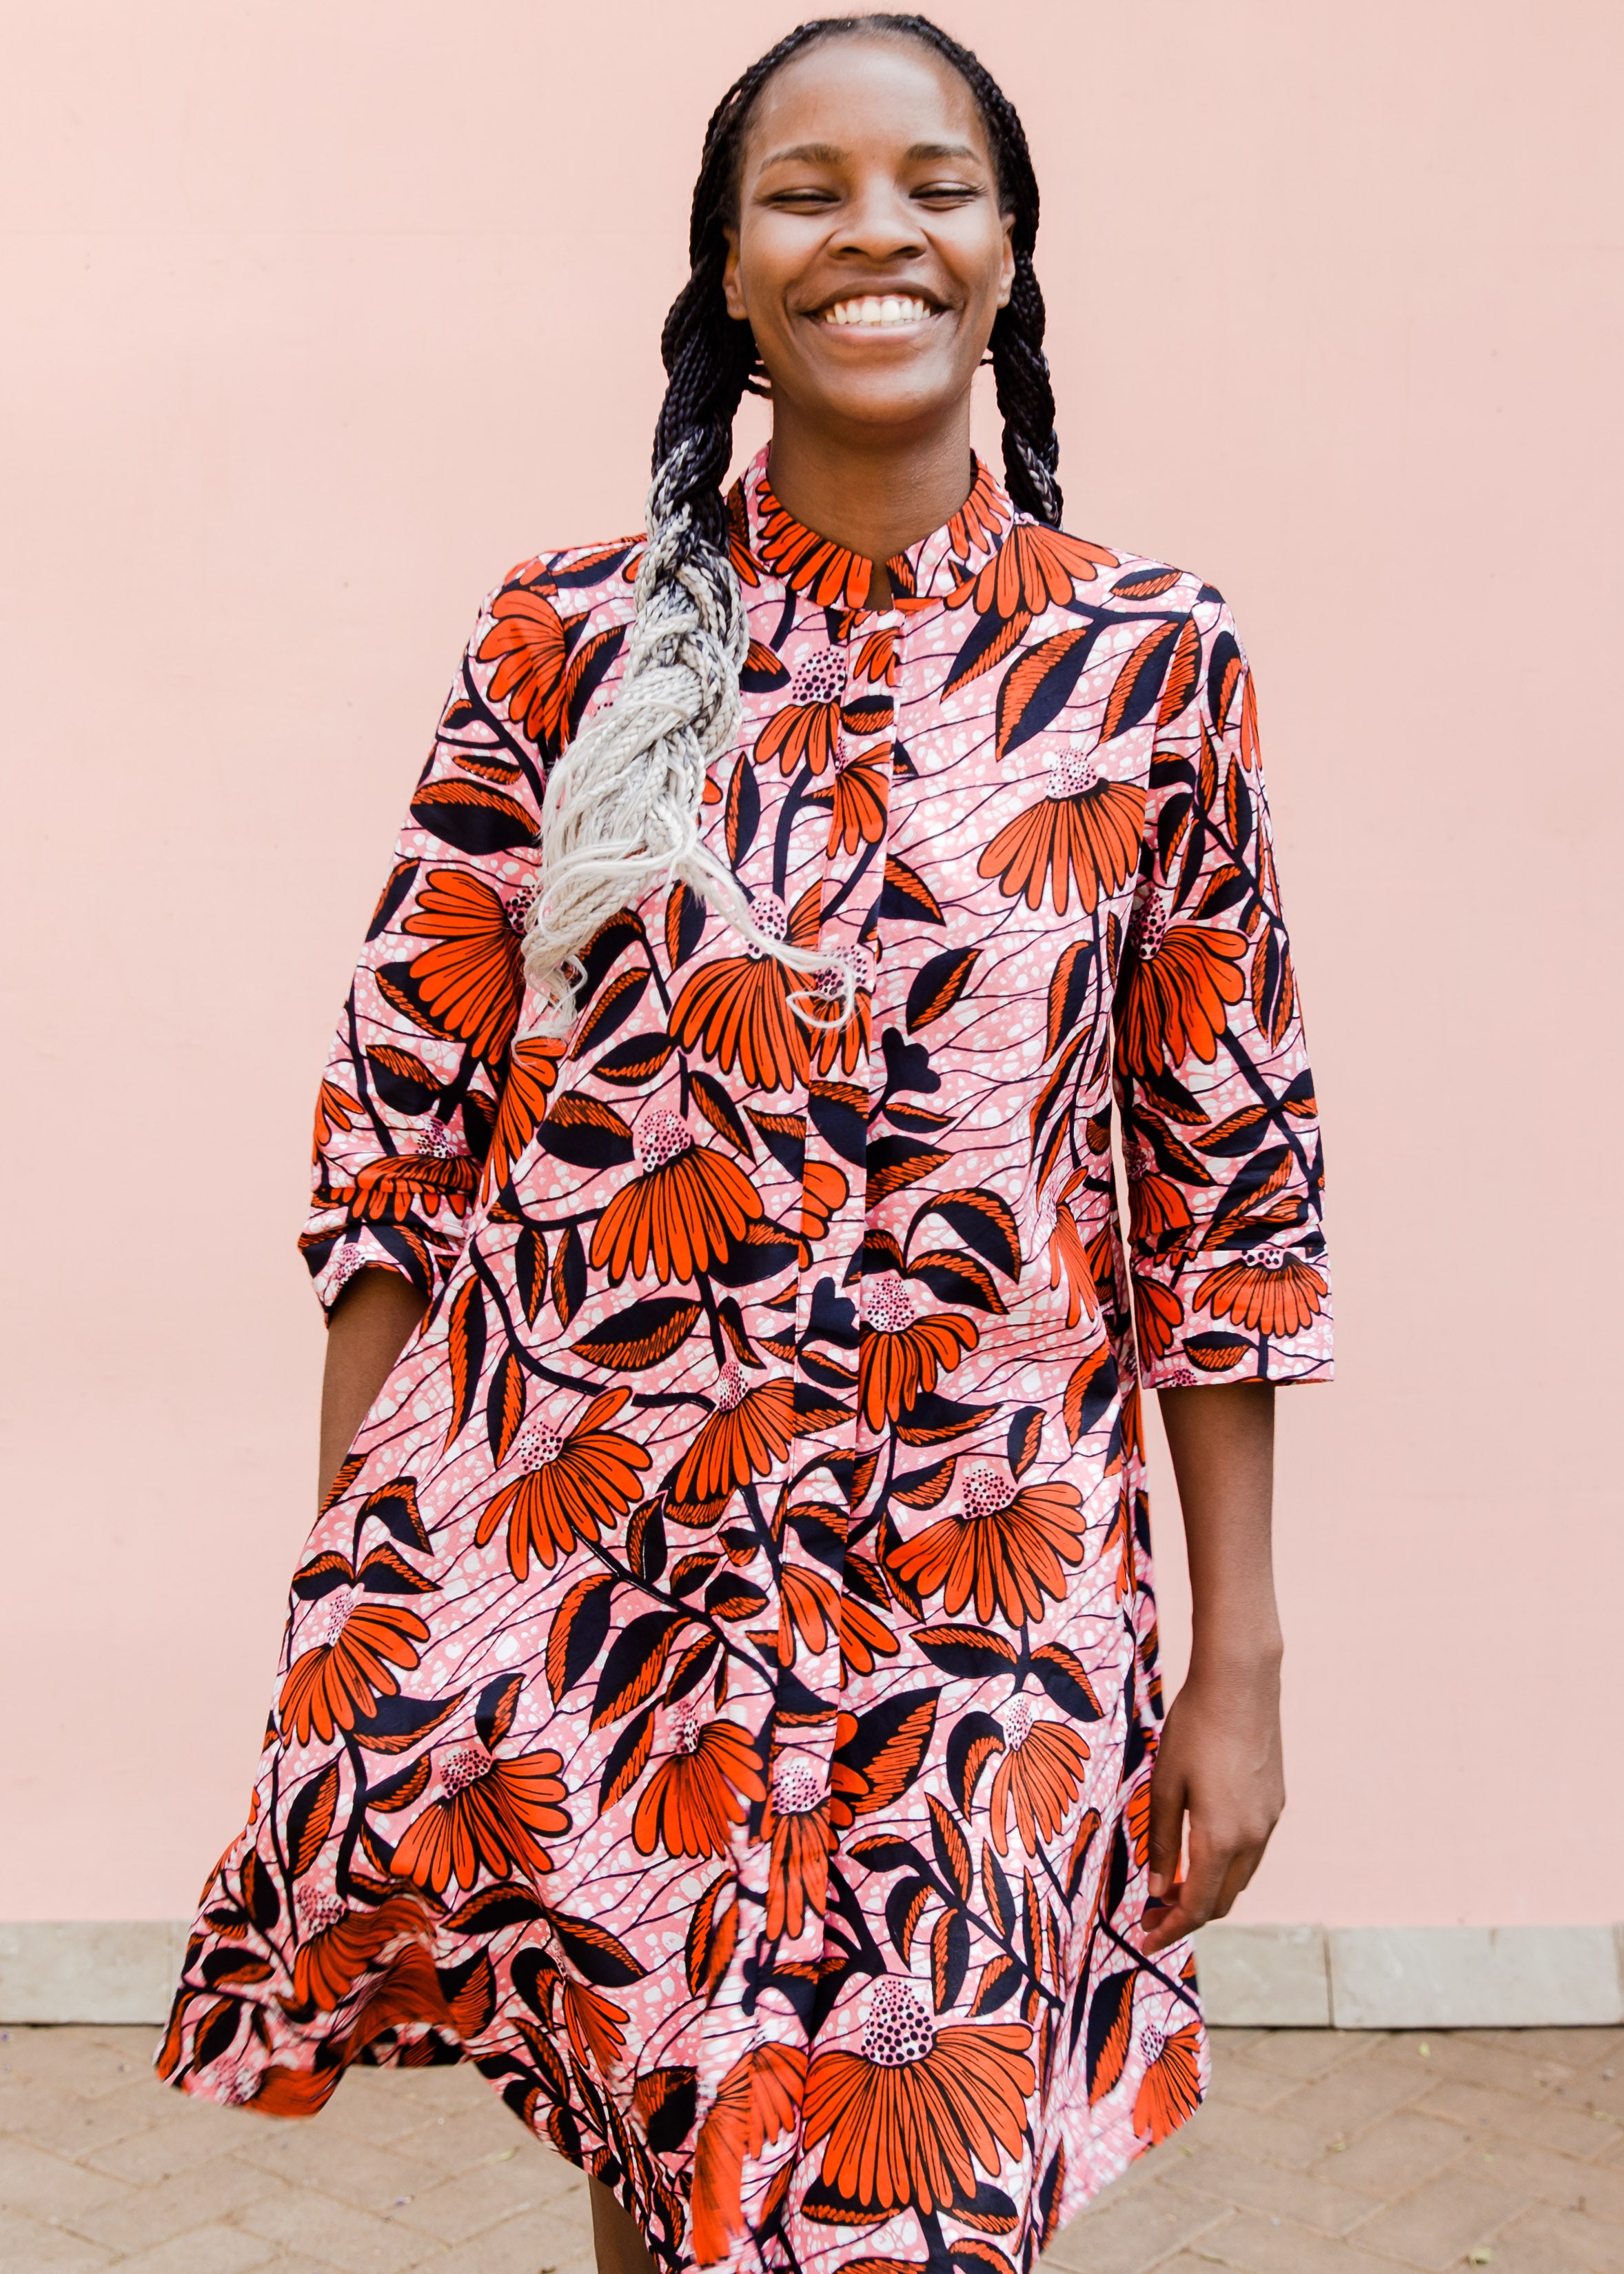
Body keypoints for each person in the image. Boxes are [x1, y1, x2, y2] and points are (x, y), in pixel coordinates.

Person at [159, 17, 1332, 2273]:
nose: (870, 232)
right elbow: (405, 1120)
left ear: (1008, 254)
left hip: (986, 1594)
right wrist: (354, 1581)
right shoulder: (561, 640)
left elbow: (1227, 1174)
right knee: (670, 2165)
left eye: (932, 187)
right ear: (722, 267)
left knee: (926, 2181)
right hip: (613, 1574)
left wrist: (1242, 1653)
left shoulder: (1147, 663)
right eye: (803, 190)